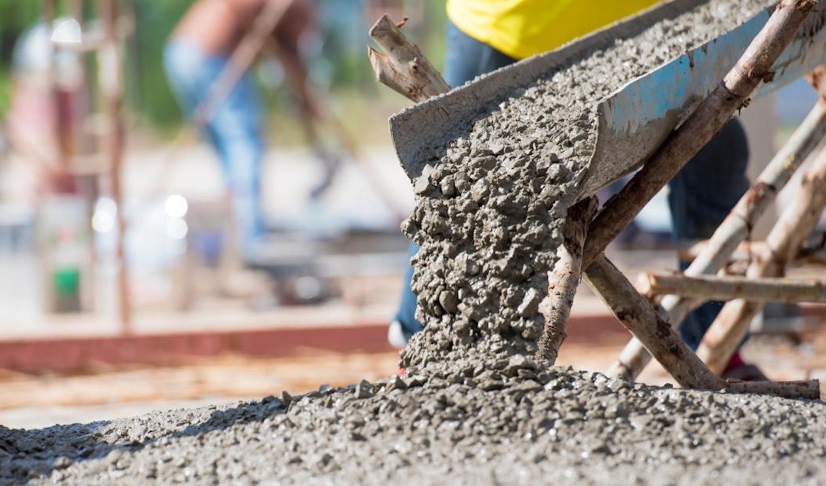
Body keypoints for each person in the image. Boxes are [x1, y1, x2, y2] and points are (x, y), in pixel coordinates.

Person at [387, 0, 764, 380]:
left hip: (642, 34)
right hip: (510, 26)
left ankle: (720, 345)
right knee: (461, 184)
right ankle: (424, 351)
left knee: (717, 153)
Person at [164, 0, 314, 264]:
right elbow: (291, 53)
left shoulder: (285, 12)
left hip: (182, 52)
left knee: (230, 154)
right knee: (244, 144)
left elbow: (292, 60)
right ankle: (249, 242)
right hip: (208, 54)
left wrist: (307, 107)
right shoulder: (291, 8)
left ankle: (234, 233)